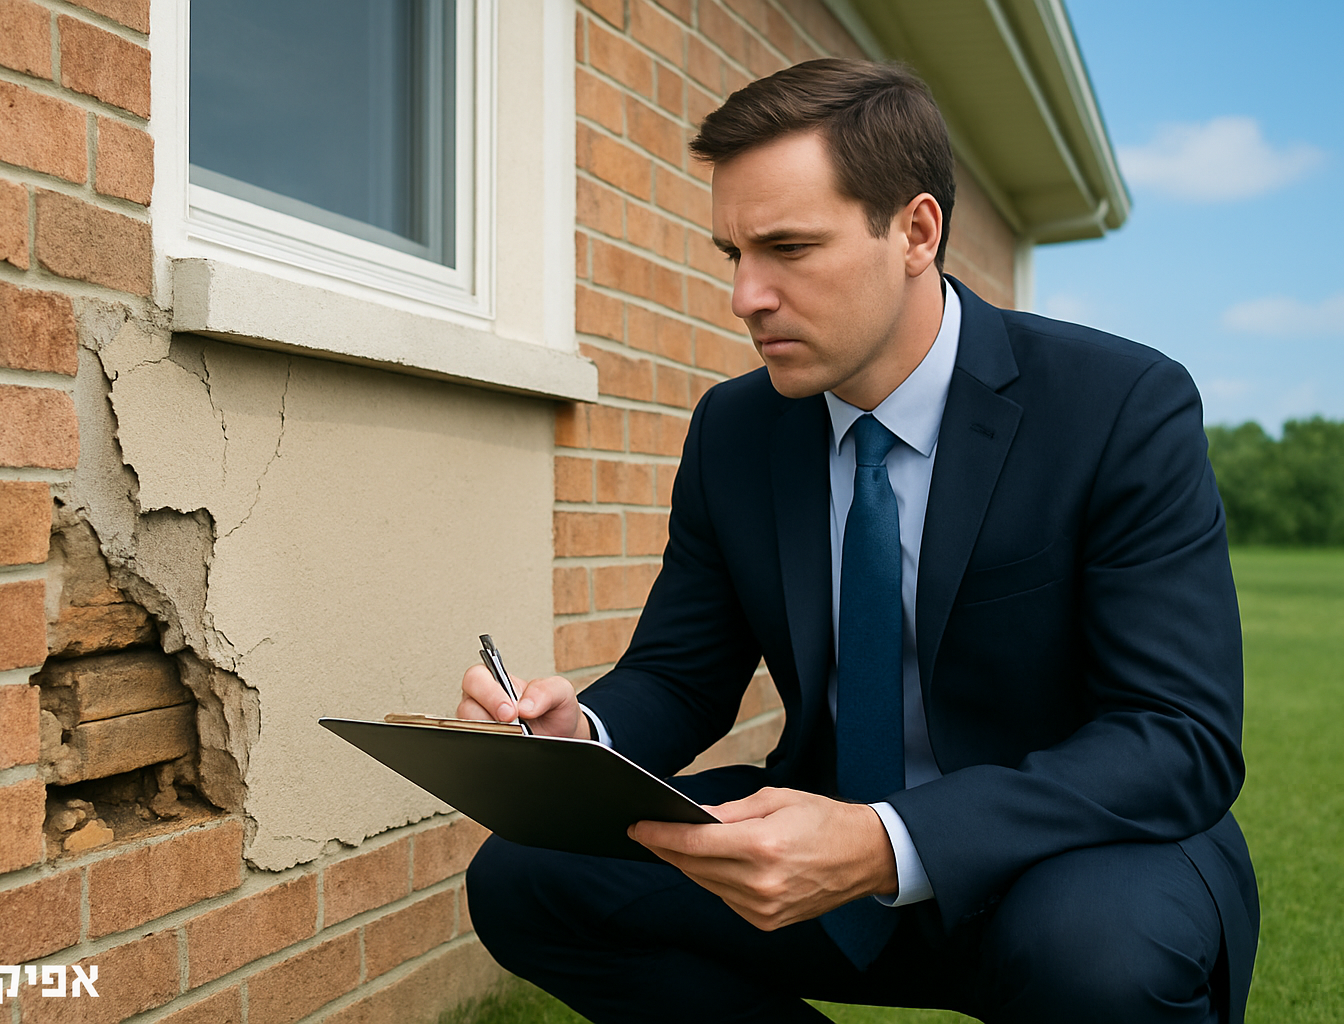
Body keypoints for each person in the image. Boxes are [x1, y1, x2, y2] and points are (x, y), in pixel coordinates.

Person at [460, 57, 1258, 1024]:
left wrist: (887, 841)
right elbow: (681, 674)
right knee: (527, 877)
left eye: (789, 248)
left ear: (916, 231)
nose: (746, 296)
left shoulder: (1117, 406)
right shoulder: (736, 429)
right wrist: (581, 738)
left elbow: (1178, 736)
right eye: (732, 255)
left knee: (1093, 961)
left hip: (1073, 857)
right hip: (821, 848)